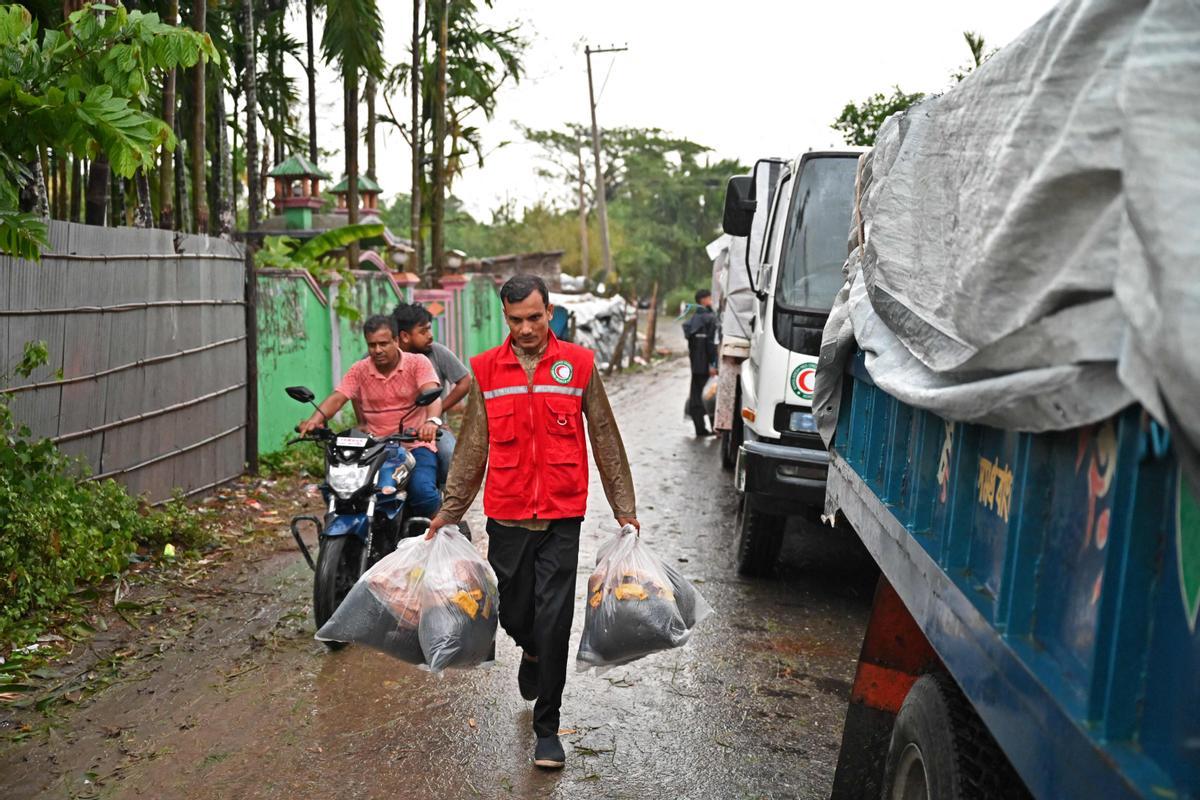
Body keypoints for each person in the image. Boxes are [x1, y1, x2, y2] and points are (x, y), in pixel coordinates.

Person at [426, 274, 639, 770]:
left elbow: (604, 434)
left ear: (550, 313)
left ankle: (548, 727)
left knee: (555, 619)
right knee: (517, 614)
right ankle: (533, 652)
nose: (526, 329)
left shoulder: (579, 364)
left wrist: (623, 506)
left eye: (535, 318)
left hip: (563, 514)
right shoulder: (484, 369)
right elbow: (473, 446)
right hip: (507, 514)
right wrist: (449, 512)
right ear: (507, 317)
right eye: (516, 320)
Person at [297, 314, 443, 518]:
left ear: (396, 341)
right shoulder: (360, 369)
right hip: (373, 449)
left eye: (383, 344)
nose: (377, 350)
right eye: (372, 345)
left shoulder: (418, 363)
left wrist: (431, 422)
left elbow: (432, 395)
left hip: (414, 445)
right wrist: (315, 420)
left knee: (423, 493)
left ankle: (444, 530)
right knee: (338, 492)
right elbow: (338, 398)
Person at [392, 302, 473, 484]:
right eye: (423, 331)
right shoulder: (382, 357)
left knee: (450, 455)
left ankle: (442, 497)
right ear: (404, 336)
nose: (430, 336)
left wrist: (436, 413)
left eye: (429, 329)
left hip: (433, 431)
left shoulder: (437, 352)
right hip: (391, 432)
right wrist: (364, 422)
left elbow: (465, 381)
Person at [682, 288, 718, 436]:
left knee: (697, 396)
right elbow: (711, 344)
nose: (712, 300)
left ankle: (700, 429)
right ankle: (716, 428)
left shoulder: (692, 321)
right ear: (703, 300)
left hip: (696, 364)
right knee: (710, 396)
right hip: (707, 366)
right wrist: (713, 364)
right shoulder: (710, 318)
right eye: (710, 297)